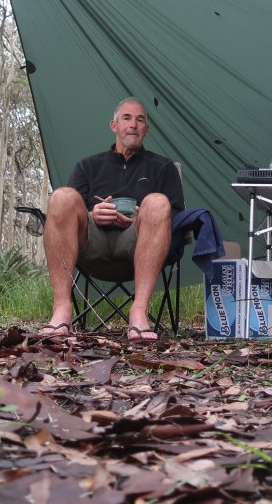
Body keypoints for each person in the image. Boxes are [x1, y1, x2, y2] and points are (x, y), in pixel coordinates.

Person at [40, 97, 184, 341]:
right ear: (114, 125)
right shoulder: (88, 166)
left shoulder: (163, 167)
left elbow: (178, 217)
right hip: (91, 243)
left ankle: (139, 313)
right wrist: (92, 214)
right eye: (126, 118)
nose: (133, 125)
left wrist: (142, 217)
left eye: (140, 120)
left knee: (158, 202)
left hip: (138, 244)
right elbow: (67, 214)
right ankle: (61, 310)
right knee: (62, 196)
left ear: (147, 129)